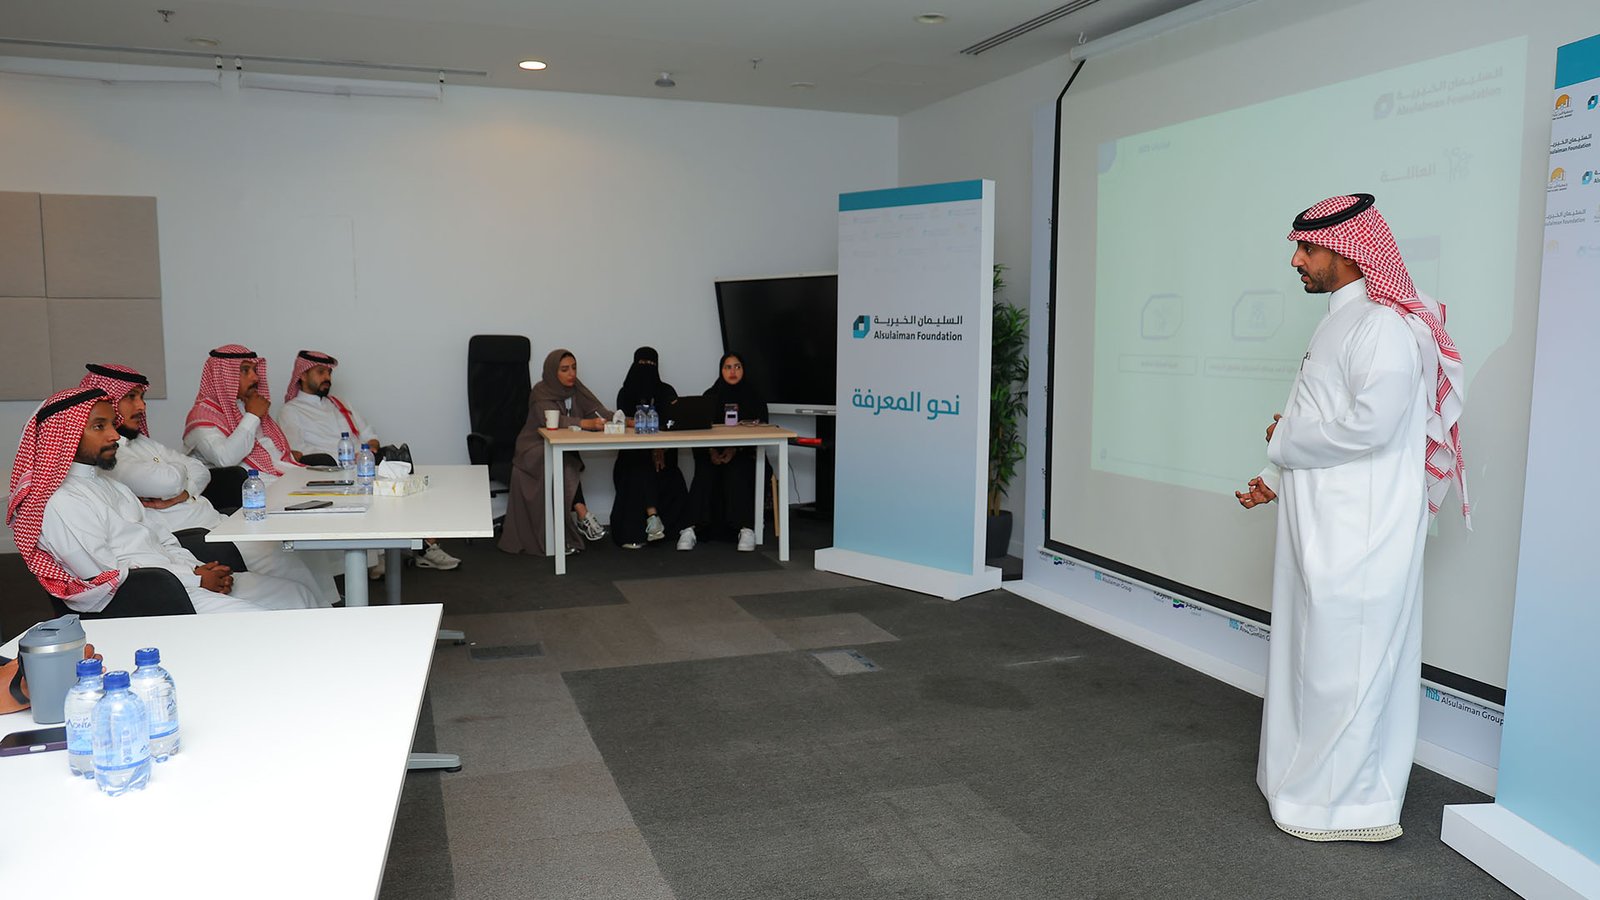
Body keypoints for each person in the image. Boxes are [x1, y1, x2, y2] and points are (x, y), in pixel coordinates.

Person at [1236, 193, 1469, 843]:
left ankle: (1348, 807)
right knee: (1314, 661)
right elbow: (1314, 410)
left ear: (1347, 251)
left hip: (1362, 530)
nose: (1296, 260)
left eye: (1306, 248)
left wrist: (1284, 442)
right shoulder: (1339, 321)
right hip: (1321, 523)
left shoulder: (1384, 328)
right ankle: (1300, 786)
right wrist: (1273, 478)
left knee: (1349, 666)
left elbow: (1371, 425)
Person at [8, 387, 319, 615]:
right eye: (99, 427)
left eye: (112, 425)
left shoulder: (111, 485)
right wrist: (194, 580)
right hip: (149, 599)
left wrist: (197, 568)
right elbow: (103, 576)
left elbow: (163, 540)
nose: (114, 435)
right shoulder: (59, 502)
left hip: (181, 578)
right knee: (262, 621)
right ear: (66, 436)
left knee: (296, 594)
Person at [78, 362, 340, 607]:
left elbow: (200, 470)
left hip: (219, 523)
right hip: (197, 538)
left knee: (295, 555)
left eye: (142, 397)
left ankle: (330, 613)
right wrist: (178, 478)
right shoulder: (112, 458)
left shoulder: (143, 443)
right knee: (286, 561)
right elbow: (179, 477)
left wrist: (183, 492)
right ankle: (326, 619)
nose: (142, 406)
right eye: (131, 397)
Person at [276, 349, 461, 573]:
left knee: (410, 481)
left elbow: (369, 434)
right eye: (321, 372)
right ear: (303, 375)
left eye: (329, 373)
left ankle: (425, 546)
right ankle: (396, 552)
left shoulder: (339, 403)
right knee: (386, 492)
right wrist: (344, 460)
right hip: (330, 473)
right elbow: (296, 454)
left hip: (363, 465)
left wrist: (370, 450)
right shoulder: (291, 411)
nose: (327, 377)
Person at [499, 349, 614, 556]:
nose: (572, 373)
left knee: (564, 458)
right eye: (565, 369)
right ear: (553, 371)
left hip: (560, 446)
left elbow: (598, 411)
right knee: (564, 461)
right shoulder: (540, 392)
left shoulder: (577, 390)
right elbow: (552, 420)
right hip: (532, 448)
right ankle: (582, 514)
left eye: (574, 368)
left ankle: (577, 522)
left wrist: (623, 419)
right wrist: (586, 423)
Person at [678, 352, 767, 552]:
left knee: (737, 470)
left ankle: (746, 528)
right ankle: (690, 528)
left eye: (737, 367)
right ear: (721, 370)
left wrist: (734, 449)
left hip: (743, 454)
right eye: (728, 367)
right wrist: (711, 451)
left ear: (744, 370)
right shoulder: (710, 396)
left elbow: (762, 431)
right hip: (713, 455)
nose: (732, 371)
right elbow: (699, 429)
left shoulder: (755, 397)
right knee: (704, 472)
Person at [182, 344, 301, 480]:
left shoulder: (245, 406)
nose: (255, 378)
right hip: (245, 488)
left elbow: (267, 452)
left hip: (275, 479)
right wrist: (253, 416)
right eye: (245, 370)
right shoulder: (201, 416)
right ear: (222, 376)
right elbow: (225, 459)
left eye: (254, 370)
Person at [610, 347, 688, 549]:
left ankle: (654, 522)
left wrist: (660, 447)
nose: (646, 368)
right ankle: (651, 518)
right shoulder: (625, 393)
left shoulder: (666, 391)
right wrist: (650, 445)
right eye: (642, 363)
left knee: (650, 467)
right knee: (638, 463)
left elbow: (673, 423)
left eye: (651, 364)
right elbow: (623, 422)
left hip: (664, 454)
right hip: (633, 453)